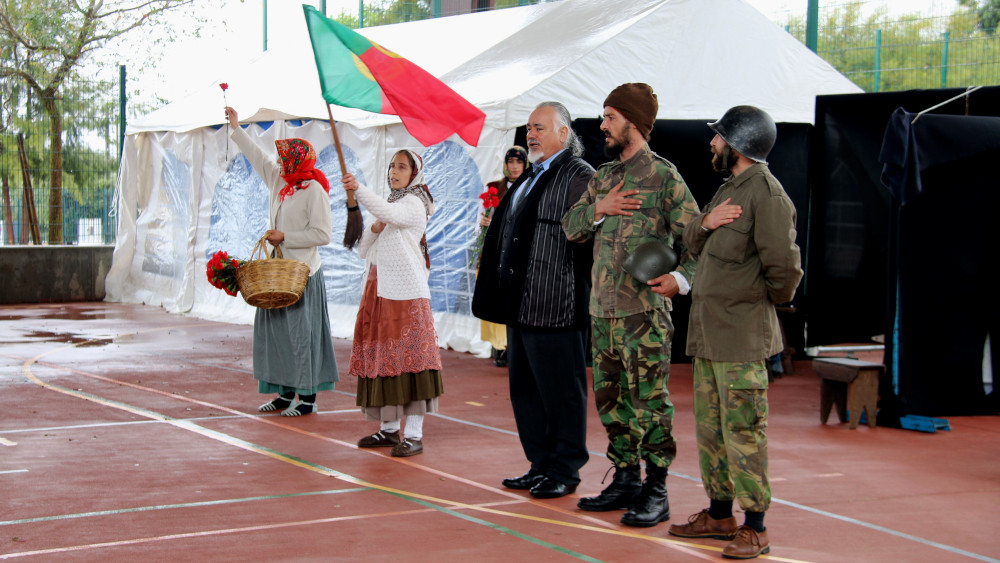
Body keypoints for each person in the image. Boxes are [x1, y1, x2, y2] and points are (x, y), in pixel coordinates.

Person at [667, 105, 802, 559]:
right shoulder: (731, 188)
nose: (712, 143)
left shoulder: (766, 193)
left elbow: (784, 267)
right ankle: (720, 514)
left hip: (740, 338)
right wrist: (703, 223)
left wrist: (756, 300)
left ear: (739, 145)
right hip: (710, 335)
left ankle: (756, 526)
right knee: (712, 431)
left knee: (744, 430)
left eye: (719, 138)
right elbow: (690, 239)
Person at [562, 83, 699, 528]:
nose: (603, 125)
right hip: (602, 313)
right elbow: (571, 228)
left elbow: (696, 238)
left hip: (643, 316)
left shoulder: (664, 177)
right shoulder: (602, 177)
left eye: (611, 117)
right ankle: (624, 479)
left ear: (634, 124)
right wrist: (598, 208)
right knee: (611, 402)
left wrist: (681, 280)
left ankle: (656, 491)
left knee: (650, 405)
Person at [472, 101, 595, 499]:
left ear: (564, 132)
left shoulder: (579, 175)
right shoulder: (529, 176)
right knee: (525, 391)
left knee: (561, 391)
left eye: (540, 127)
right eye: (529, 128)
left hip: (554, 305)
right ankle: (540, 463)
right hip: (521, 305)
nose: (531, 134)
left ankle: (565, 469)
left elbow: (589, 236)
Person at [225, 106, 339, 416]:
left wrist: (284, 236)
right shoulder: (281, 181)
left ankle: (308, 398)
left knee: (303, 336)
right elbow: (258, 157)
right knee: (276, 335)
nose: (279, 163)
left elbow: (323, 234)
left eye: (285, 159)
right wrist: (236, 128)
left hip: (303, 275)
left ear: (298, 161)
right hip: (278, 275)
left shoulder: (314, 190)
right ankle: (284, 393)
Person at [341, 150, 444, 458]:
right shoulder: (391, 205)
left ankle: (413, 434)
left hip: (406, 295)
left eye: (402, 166)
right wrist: (373, 228)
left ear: (414, 173)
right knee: (384, 361)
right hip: (379, 291)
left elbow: (392, 216)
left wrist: (358, 189)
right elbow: (363, 250)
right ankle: (388, 429)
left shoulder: (414, 203)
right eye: (391, 166)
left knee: (411, 364)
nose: (394, 172)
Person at [479, 146, 530, 368]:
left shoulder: (531, 186)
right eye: (511, 162)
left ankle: (513, 346)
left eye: (519, 162)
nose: (514, 166)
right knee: (494, 295)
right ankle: (498, 346)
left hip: (517, 252)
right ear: (505, 165)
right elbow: (479, 219)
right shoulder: (493, 188)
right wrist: (484, 226)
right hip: (494, 252)